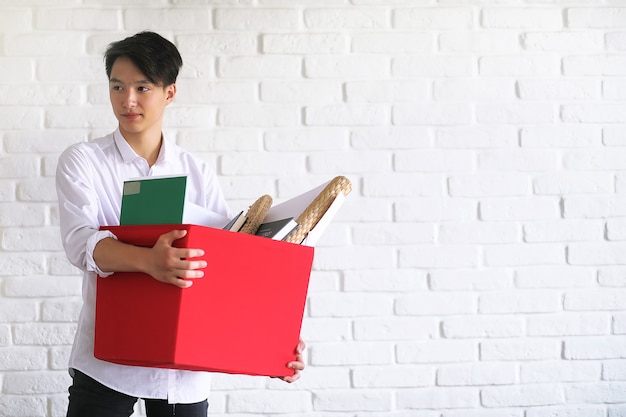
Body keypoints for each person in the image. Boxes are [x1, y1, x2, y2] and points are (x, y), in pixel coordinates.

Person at [55, 31, 305, 417]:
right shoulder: (83, 160)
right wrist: (148, 261)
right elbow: (80, 243)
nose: (128, 100)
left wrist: (274, 346)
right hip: (107, 359)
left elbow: (226, 265)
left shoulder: (196, 171)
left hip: (184, 369)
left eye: (142, 87)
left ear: (169, 93)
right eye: (117, 86)